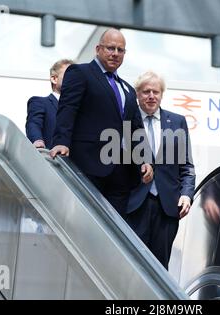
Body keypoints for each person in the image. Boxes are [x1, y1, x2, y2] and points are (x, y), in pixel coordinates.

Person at [49, 28, 153, 215]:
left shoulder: (128, 89)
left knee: (115, 230)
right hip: (88, 165)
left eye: (120, 50)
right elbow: (68, 108)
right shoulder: (80, 73)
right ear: (98, 49)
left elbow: (136, 129)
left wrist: (145, 160)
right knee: (83, 221)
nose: (115, 54)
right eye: (110, 48)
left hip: (121, 172)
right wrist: (60, 142)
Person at [126, 71, 196, 269]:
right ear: (137, 94)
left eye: (155, 92)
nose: (151, 96)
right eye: (146, 91)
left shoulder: (177, 122)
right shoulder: (126, 123)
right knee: (131, 264)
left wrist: (187, 195)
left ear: (162, 94)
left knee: (159, 267)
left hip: (167, 208)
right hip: (133, 206)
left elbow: (186, 166)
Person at [26, 59, 74, 149]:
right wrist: (37, 140)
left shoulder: (82, 108)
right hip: (53, 159)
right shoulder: (40, 103)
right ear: (54, 79)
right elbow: (34, 123)